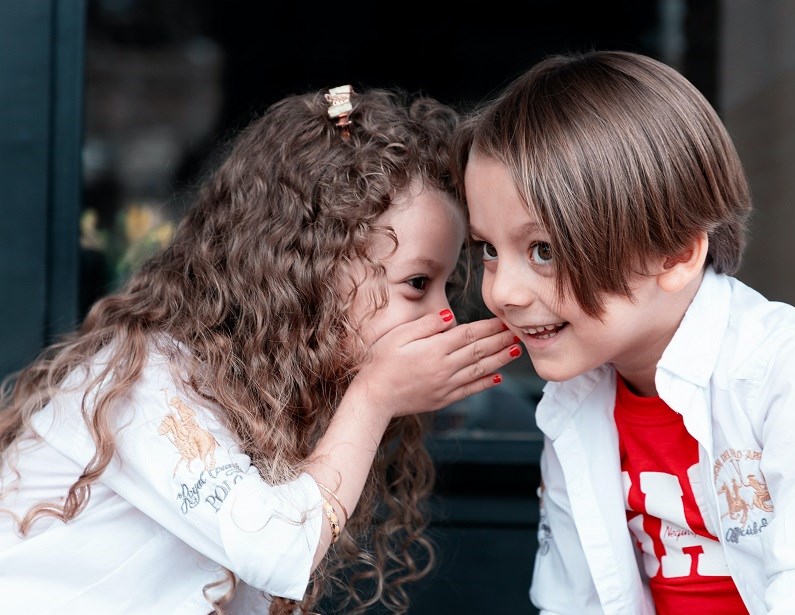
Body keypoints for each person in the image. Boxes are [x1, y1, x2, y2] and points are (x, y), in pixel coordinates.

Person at [0, 84, 522, 615]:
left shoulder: (265, 394)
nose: (445, 316)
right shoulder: (143, 380)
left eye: (445, 288)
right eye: (417, 283)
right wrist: (373, 396)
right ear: (312, 271)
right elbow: (275, 550)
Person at [452, 49, 795, 614]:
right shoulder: (574, 405)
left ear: (675, 252)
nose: (503, 293)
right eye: (489, 250)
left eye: (543, 250)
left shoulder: (790, 377)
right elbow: (574, 603)